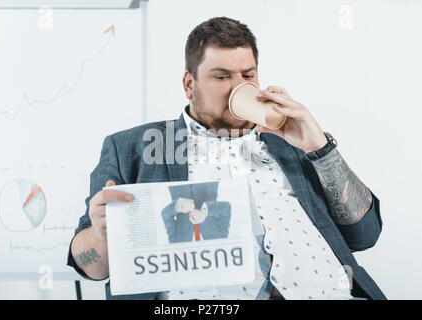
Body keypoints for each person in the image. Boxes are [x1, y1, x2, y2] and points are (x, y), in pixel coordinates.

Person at [67, 16, 386, 300]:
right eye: (222, 77)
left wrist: (320, 147)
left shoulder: (291, 144)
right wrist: (101, 235)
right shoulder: (133, 148)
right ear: (189, 84)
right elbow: (90, 268)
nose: (239, 87)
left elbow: (365, 235)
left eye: (248, 75)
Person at [162, 182, 232, 243]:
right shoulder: (219, 243)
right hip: (207, 181)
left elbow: (166, 215)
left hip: (179, 186)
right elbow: (226, 209)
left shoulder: (177, 246)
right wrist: (206, 211)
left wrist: (178, 205)